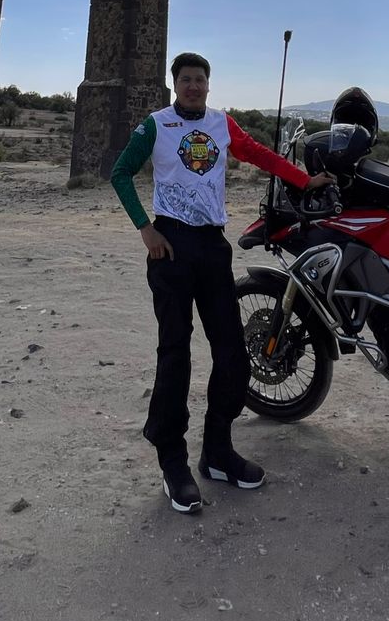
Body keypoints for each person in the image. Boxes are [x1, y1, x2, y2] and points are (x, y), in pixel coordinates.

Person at [110, 51, 333, 514]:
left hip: (212, 246)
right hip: (169, 244)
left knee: (231, 349)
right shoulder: (155, 125)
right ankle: (173, 461)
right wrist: (145, 229)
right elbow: (120, 173)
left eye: (200, 80)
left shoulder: (221, 123)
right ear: (175, 85)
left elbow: (259, 154)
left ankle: (217, 451)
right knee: (175, 351)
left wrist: (304, 181)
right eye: (186, 79)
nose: (193, 86)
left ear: (209, 85)